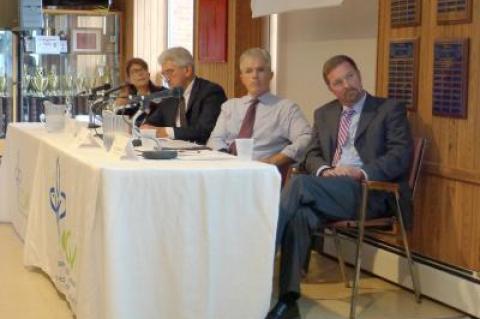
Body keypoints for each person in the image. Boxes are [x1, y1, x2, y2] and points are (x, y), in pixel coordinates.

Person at [266, 55, 413, 319]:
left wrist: (360, 171)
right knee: (300, 215)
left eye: (350, 77)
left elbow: (400, 156)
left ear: (359, 74)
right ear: (331, 88)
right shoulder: (325, 113)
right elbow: (311, 155)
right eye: (338, 82)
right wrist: (326, 170)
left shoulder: (388, 109)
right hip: (330, 188)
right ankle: (289, 300)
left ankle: (262, 255)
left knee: (298, 184)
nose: (347, 85)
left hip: (370, 191)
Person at [207, 48, 311, 172]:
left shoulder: (285, 108)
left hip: (262, 171)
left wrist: (275, 160)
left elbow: (306, 137)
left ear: (271, 75)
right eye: (249, 71)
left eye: (260, 70)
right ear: (242, 78)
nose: (254, 76)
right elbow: (215, 139)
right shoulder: (230, 106)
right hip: (227, 169)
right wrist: (227, 160)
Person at [140, 47, 227, 145]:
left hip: (201, 154)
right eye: (164, 74)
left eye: (170, 72)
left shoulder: (211, 92)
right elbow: (151, 123)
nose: (167, 79)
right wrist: (147, 127)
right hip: (172, 152)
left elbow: (204, 131)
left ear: (187, 70)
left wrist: (166, 132)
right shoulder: (171, 96)